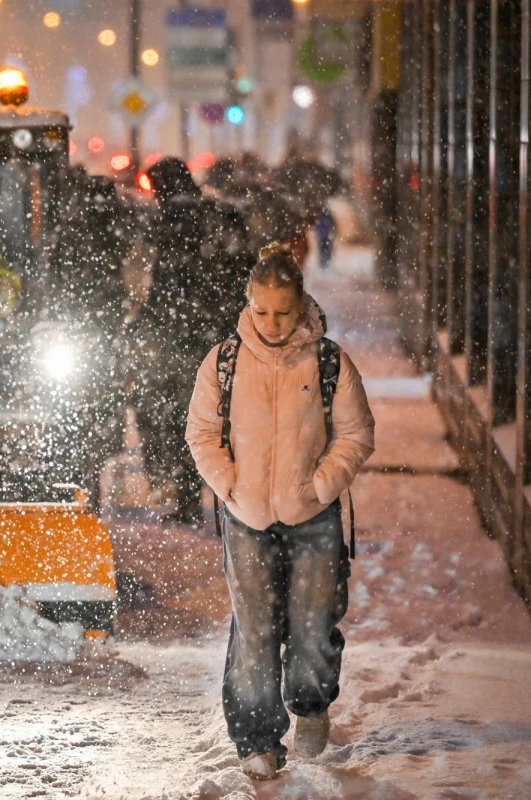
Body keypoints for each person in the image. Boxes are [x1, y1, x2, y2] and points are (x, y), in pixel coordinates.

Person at [185, 243, 375, 781]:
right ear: (249, 304)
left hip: (314, 518)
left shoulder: (329, 360)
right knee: (254, 630)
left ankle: (311, 705)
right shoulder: (223, 361)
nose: (272, 322)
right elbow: (201, 433)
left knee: (313, 626)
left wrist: (320, 486)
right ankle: (256, 737)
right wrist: (230, 485)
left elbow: (357, 435)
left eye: (284, 312)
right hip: (245, 519)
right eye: (262, 310)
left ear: (302, 307)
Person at [130, 157, 252, 524]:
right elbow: (244, 274)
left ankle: (177, 489)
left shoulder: (159, 225)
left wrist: (140, 324)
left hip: (170, 338)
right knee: (210, 416)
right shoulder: (222, 216)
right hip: (213, 337)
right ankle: (207, 492)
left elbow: (143, 283)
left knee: (165, 413)